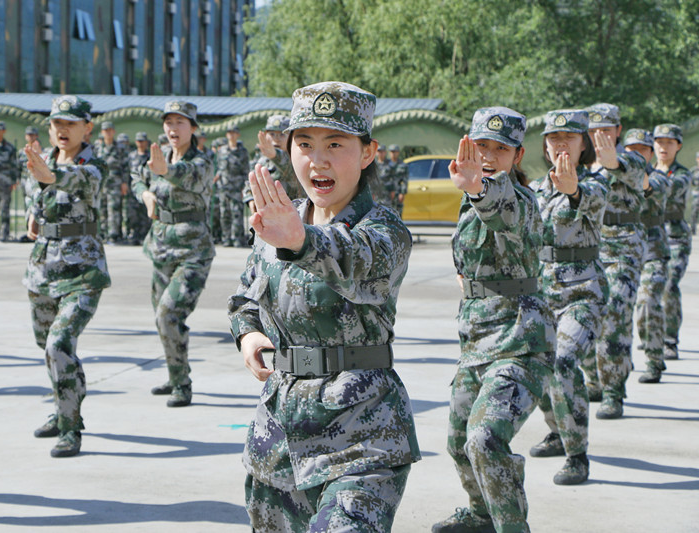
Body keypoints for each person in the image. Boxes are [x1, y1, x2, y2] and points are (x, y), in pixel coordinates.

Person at [229, 81, 420, 532]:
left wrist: (298, 240)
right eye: (305, 143)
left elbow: (350, 257)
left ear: (368, 153)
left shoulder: (384, 230)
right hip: (278, 440)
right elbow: (245, 297)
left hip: (362, 437)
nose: (318, 159)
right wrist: (249, 333)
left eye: (336, 143)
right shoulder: (277, 221)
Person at [432, 107, 555, 533]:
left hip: (520, 341)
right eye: (481, 144)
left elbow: (500, 210)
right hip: (476, 341)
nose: (488, 155)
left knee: (485, 439)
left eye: (499, 149)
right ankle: (483, 514)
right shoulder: (470, 202)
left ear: (517, 156)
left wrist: (479, 190)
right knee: (458, 441)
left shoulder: (518, 199)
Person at [23, 95, 110, 458]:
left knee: (58, 345)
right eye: (57, 123)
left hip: (82, 271)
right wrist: (34, 212)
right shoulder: (40, 160)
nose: (62, 129)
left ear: (87, 128)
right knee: (49, 350)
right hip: (42, 270)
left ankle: (71, 427)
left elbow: (80, 182)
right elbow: (38, 196)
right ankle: (62, 410)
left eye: (70, 123)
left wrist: (50, 176)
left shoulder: (93, 163)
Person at [527, 110, 607, 487]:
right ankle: (558, 431)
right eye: (553, 138)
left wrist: (572, 189)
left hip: (582, 292)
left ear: (584, 144)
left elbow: (587, 200)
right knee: (540, 368)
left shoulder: (595, 184)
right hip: (542, 293)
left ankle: (578, 455)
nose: (560, 144)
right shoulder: (535, 191)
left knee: (562, 362)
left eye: (569, 138)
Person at [131, 101, 215, 407]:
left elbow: (187, 175)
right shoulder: (159, 156)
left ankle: (182, 384)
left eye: (181, 123)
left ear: (193, 128)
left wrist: (164, 171)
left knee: (169, 313)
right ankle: (175, 372)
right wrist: (145, 192)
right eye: (169, 122)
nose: (173, 128)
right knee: (161, 318)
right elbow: (137, 174)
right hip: (161, 248)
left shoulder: (203, 162)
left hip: (193, 252)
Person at [586, 103, 646, 419]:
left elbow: (635, 173)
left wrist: (613, 163)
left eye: (607, 129)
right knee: (584, 316)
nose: (601, 136)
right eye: (595, 130)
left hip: (624, 250)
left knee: (614, 316)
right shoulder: (582, 163)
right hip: (590, 249)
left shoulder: (631, 158)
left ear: (618, 131)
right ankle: (595, 379)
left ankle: (613, 391)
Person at [625, 129, 670, 383]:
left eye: (642, 150)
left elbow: (649, 187)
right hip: (622, 253)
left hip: (653, 252)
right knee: (618, 310)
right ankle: (619, 358)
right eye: (631, 150)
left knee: (647, 303)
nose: (636, 155)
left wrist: (630, 168)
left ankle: (654, 359)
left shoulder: (660, 178)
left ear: (650, 154)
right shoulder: (613, 179)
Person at [653, 124, 692, 361]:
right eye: (659, 141)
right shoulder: (646, 170)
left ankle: (670, 340)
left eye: (669, 142)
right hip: (652, 234)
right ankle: (652, 337)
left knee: (669, 283)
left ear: (678, 146)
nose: (663, 147)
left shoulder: (682, 174)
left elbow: (669, 190)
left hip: (676, 236)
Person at [243, 114, 303, 213]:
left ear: (291, 137)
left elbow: (290, 171)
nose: (276, 139)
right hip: (268, 215)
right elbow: (250, 182)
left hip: (294, 214)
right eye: (272, 134)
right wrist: (250, 198)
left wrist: (275, 156)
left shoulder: (297, 157)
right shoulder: (261, 159)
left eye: (282, 134)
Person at [93, 121, 128, 243]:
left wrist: (124, 182)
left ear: (113, 131)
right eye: (105, 130)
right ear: (102, 132)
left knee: (113, 208)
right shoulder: (97, 148)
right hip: (101, 183)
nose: (108, 132)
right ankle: (102, 233)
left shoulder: (120, 148)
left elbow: (125, 166)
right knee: (101, 208)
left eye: (110, 130)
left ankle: (113, 234)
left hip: (115, 182)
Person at [215, 125, 249, 247]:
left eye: (234, 133)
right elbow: (219, 168)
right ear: (227, 135)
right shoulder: (222, 150)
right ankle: (226, 238)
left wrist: (244, 188)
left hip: (237, 186)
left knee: (237, 213)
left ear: (238, 134)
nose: (231, 135)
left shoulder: (242, 151)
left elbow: (246, 171)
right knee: (224, 214)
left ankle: (237, 239)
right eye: (229, 133)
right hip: (224, 187)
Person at [126, 132, 153, 245]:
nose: (141, 143)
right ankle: (134, 235)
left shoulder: (150, 156)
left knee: (145, 213)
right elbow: (126, 171)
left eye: (143, 141)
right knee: (133, 213)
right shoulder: (131, 156)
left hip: (147, 188)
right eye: (138, 141)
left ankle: (144, 236)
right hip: (133, 189)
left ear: (146, 142)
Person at [387, 144, 408, 216]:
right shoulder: (385, 164)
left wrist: (402, 193)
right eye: (392, 152)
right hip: (386, 193)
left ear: (398, 153)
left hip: (397, 191)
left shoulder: (403, 165)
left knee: (398, 213)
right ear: (389, 153)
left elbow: (405, 180)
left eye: (395, 152)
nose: (393, 154)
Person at [690, 151, 699, 234]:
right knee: (694, 213)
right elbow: (690, 181)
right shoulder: (693, 171)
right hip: (697, 195)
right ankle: (693, 230)